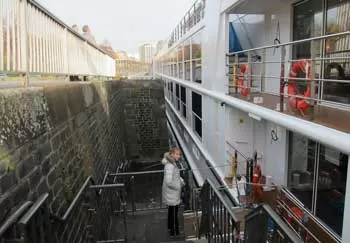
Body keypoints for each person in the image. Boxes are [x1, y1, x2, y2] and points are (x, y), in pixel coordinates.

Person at [162, 148, 185, 237]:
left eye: (179, 155)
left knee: (171, 211)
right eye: (176, 154)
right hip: (172, 194)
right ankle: (174, 232)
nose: (178, 156)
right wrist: (178, 186)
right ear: (171, 154)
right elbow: (168, 182)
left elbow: (175, 176)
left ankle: (170, 228)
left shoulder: (171, 163)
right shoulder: (170, 166)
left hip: (171, 193)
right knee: (174, 213)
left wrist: (181, 181)